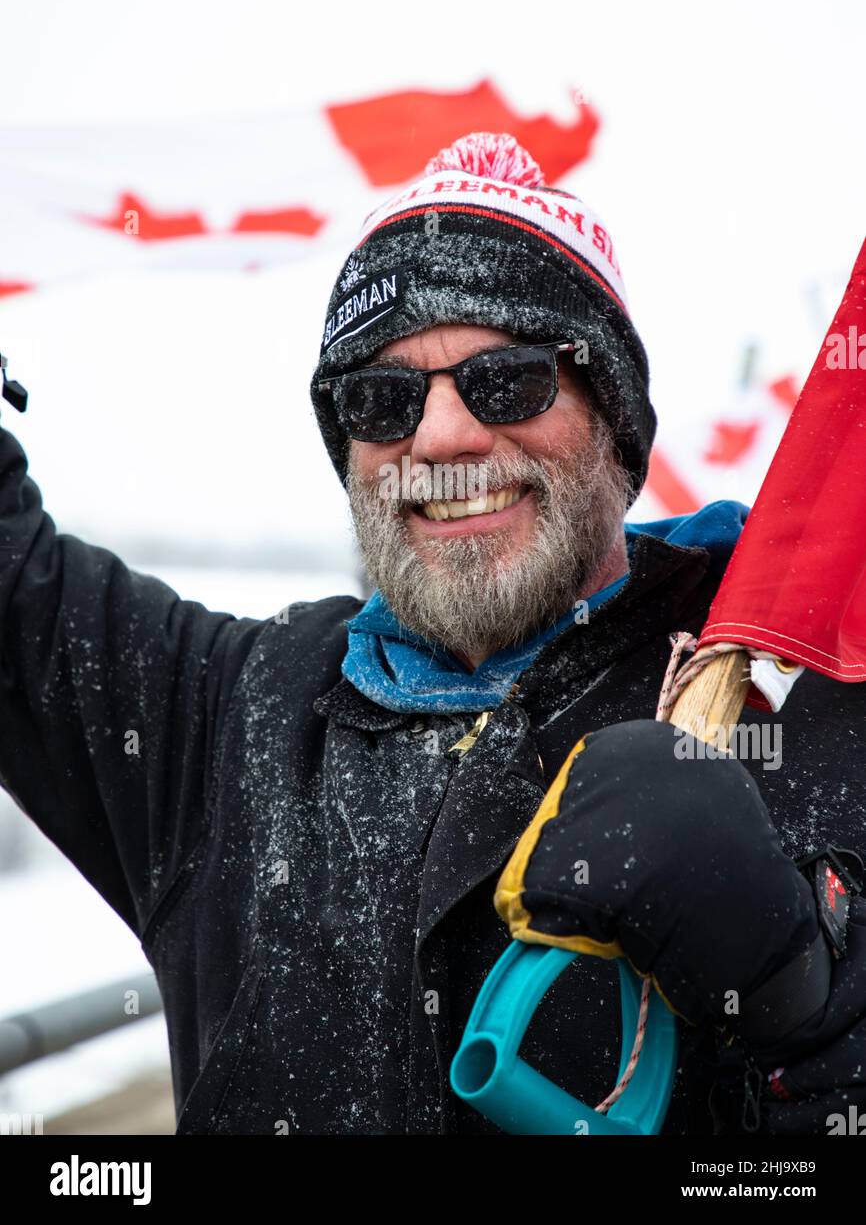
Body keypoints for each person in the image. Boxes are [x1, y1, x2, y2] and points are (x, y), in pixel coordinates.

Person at [1, 131, 864, 1136]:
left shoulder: (791, 683)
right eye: (380, 399)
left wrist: (798, 993)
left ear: (614, 424)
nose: (441, 436)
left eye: (508, 382)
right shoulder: (233, 713)